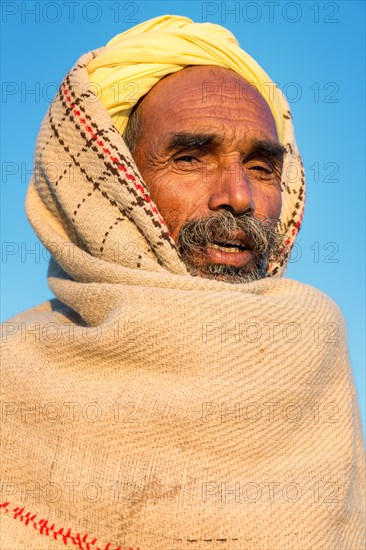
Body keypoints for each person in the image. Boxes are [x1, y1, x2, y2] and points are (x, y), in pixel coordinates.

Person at [0, 15, 364, 550]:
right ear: (108, 181)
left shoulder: (313, 350)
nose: (238, 196)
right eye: (190, 158)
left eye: (262, 167)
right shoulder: (13, 379)